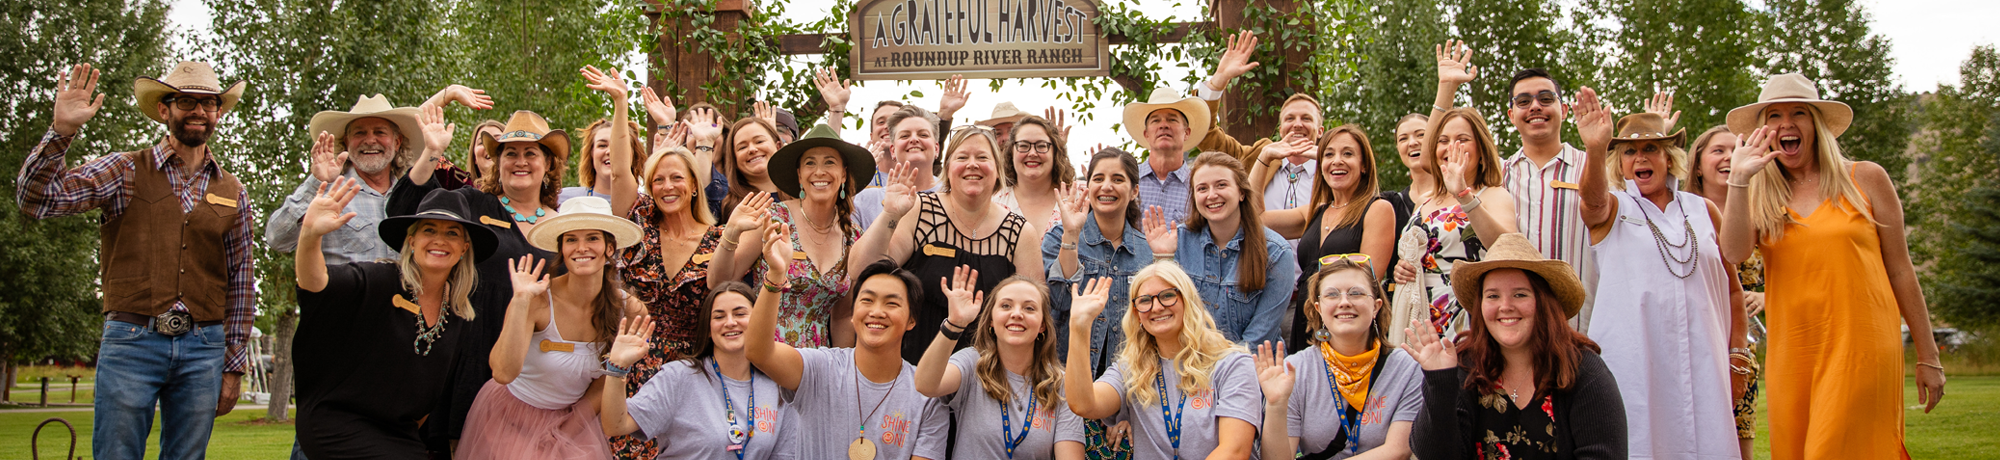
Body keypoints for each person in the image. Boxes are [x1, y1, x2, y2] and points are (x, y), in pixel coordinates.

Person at [18, 62, 253, 460]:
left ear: (219, 112)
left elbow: (242, 279)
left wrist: (233, 363)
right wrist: (62, 132)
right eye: (186, 101)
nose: (199, 111)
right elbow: (37, 200)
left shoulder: (233, 189)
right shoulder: (124, 168)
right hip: (132, 342)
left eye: (208, 103)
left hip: (204, 347)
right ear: (165, 110)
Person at [1719, 73, 1946, 459]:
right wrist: (1739, 179)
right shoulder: (1759, 192)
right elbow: (1734, 251)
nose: (1786, 124)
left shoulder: (1867, 179)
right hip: (1794, 352)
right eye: (1774, 115)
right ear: (1764, 130)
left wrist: (1929, 356)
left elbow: (1901, 271)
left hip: (1863, 345)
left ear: (1817, 124)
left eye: (1799, 114)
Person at [1572, 90, 1743, 459]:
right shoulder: (1615, 208)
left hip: (1705, 362)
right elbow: (1592, 201)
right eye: (1631, 151)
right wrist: (1595, 148)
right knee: (1641, 443)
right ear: (1620, 162)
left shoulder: (1704, 210)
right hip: (1636, 364)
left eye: (1651, 148)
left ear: (1669, 157)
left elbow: (1733, 291)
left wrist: (1738, 354)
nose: (1640, 158)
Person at [292, 181, 495, 459]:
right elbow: (315, 283)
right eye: (429, 230)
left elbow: (428, 394)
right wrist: (310, 235)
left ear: (463, 248)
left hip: (398, 432)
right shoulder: (380, 280)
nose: (440, 239)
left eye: (452, 233)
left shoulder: (458, 314)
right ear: (411, 241)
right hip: (337, 419)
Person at [454, 196, 648, 459]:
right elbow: (502, 372)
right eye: (571, 240)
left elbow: (605, 382)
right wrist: (520, 302)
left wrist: (562, 435)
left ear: (609, 248)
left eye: (592, 238)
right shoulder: (537, 298)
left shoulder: (630, 310)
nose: (581, 248)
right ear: (562, 249)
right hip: (511, 418)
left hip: (574, 420)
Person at [1402, 233, 1627, 460]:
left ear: (1543, 302)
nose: (1505, 306)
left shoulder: (1585, 372)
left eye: (1520, 294)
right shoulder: (1466, 366)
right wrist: (1439, 381)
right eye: (1493, 296)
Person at [852, 125, 1046, 363]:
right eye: (962, 157)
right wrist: (890, 214)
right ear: (947, 168)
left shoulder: (1019, 232)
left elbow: (1035, 312)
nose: (972, 164)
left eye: (982, 157)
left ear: (997, 170)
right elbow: (860, 269)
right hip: (912, 365)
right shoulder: (920, 210)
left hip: (988, 372)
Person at [745, 238, 950, 460]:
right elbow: (758, 352)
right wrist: (775, 275)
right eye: (867, 300)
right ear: (853, 315)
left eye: (891, 303)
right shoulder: (819, 368)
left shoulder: (927, 396)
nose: (877, 312)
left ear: (912, 320)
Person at [1389, 43, 1520, 344]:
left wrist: (1464, 194)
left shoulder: (1492, 195)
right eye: (1444, 141)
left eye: (1463, 139)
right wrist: (1403, 269)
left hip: (1467, 322)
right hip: (1418, 320)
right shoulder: (1426, 201)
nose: (1451, 147)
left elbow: (1505, 248)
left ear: (1482, 151)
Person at [1062, 263, 1262, 460]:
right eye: (1145, 300)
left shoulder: (1232, 364)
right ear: (1137, 314)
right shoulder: (1131, 368)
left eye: (1167, 296)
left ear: (1187, 301)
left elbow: (1234, 451)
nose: (1156, 307)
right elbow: (1084, 404)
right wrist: (1080, 327)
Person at [605, 144, 729, 458]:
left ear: (693, 187)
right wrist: (621, 102)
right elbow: (619, 172)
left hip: (691, 372)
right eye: (658, 180)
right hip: (634, 364)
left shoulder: (719, 239)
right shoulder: (640, 225)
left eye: (676, 178)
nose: (667, 186)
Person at [715, 123, 876, 348]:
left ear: (843, 174)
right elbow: (719, 281)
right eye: (810, 163)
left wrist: (842, 370)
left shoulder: (854, 237)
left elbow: (841, 317)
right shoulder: (773, 218)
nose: (819, 171)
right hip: (762, 354)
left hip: (817, 366)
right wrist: (730, 234)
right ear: (800, 175)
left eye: (829, 162)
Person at [603, 283, 799, 460]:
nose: (730, 322)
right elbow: (616, 425)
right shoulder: (678, 376)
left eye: (740, 314)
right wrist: (617, 368)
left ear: (759, 322)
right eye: (719, 316)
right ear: (708, 328)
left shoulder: (778, 386)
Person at [1252, 260, 1424, 460]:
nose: (1344, 302)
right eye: (1332, 294)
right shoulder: (1296, 369)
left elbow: (1398, 450)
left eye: (1356, 293)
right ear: (1319, 309)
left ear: (1376, 306)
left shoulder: (1408, 368)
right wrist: (1275, 405)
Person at [914, 270, 1088, 460]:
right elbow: (925, 385)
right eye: (1006, 306)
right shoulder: (972, 363)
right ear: (991, 320)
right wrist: (954, 324)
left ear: (1042, 326)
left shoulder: (1061, 383)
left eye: (1029, 308)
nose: (1016, 314)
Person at [1252, 125, 1396, 353]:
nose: (1337, 161)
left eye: (1347, 154)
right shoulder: (1315, 212)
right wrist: (1265, 157)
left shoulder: (1377, 209)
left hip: (1346, 326)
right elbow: (1256, 218)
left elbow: (1368, 282)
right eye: (1329, 155)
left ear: (1364, 165)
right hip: (1305, 321)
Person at [1140, 152, 1297, 346]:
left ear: (1241, 192)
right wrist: (1163, 257)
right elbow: (1163, 314)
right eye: (1202, 188)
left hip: (1250, 367)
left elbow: (1259, 337)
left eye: (1221, 185)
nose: (1212, 195)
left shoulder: (1276, 252)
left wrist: (1220, 371)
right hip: (1189, 363)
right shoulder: (1176, 241)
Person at [1195, 31, 1325, 244]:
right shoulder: (1255, 157)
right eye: (1290, 118)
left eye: (1306, 118)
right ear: (1281, 129)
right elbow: (1205, 134)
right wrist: (1219, 80)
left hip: (1319, 273)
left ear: (1320, 131)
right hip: (1260, 273)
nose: (1298, 124)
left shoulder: (1333, 167)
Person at [1683, 124, 1763, 459]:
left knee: (1738, 442)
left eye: (1737, 149)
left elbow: (1798, 272)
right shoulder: (1679, 213)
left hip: (1739, 350)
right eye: (1719, 150)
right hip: (1690, 344)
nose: (1730, 156)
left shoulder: (1764, 212)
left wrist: (1766, 296)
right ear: (1697, 165)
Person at [1123, 86, 1209, 224]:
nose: (1163, 125)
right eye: (1156, 120)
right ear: (1147, 134)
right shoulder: (1127, 180)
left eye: (1172, 120)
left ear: (1186, 133)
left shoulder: (1198, 186)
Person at [851, 105, 944, 229]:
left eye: (923, 135)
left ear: (936, 148)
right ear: (893, 150)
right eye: (905, 136)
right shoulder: (864, 200)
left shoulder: (954, 194)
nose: (914, 139)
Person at [993, 115, 1077, 232]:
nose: (1032, 153)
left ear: (1055, 152)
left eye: (1041, 146)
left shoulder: (1079, 198)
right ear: (1011, 152)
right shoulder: (993, 205)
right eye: (1023, 146)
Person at [560, 116, 646, 203]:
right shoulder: (562, 199)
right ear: (591, 153)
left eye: (619, 146)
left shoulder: (646, 208)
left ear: (634, 156)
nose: (610, 151)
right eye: (602, 145)